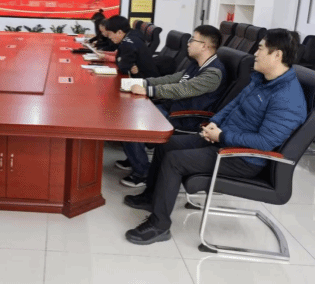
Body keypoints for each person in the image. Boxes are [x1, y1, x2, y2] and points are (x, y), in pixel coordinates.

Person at [123, 29, 307, 246]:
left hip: (244, 158)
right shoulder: (261, 80)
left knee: (174, 161)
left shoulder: (287, 98)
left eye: (260, 49)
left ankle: (159, 225)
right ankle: (151, 197)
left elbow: (264, 142)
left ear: (277, 55)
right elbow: (233, 105)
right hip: (224, 140)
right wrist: (215, 124)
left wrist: (222, 136)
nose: (255, 54)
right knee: (167, 145)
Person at [117, 25, 227, 188]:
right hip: (173, 108)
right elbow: (173, 79)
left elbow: (183, 89)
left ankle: (143, 172)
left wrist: (148, 90)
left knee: (132, 122)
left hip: (186, 118)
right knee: (128, 112)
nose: (188, 43)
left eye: (192, 40)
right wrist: (143, 82)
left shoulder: (213, 73)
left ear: (204, 46)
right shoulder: (197, 64)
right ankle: (135, 157)